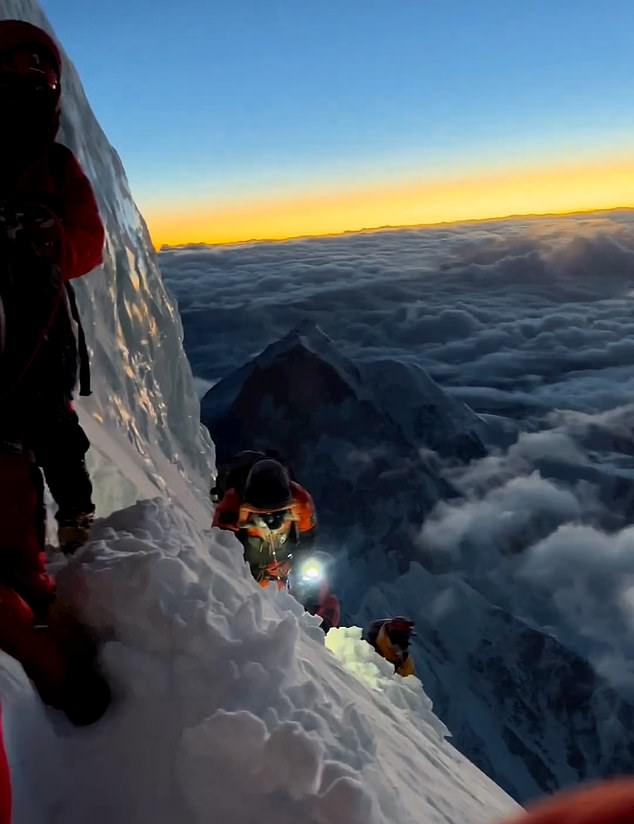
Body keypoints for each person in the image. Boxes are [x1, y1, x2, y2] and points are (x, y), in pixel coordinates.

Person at [0, 19, 104, 555]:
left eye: (32, 73)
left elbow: (89, 242)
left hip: (42, 327)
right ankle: (31, 553)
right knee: (25, 438)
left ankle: (72, 523)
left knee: (52, 431)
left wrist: (51, 241)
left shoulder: (57, 166)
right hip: (32, 328)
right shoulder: (56, 165)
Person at [213, 451, 340, 630]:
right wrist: (246, 571)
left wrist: (297, 563)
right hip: (251, 566)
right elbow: (221, 546)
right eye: (264, 516)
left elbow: (308, 539)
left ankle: (318, 632)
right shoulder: (232, 503)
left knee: (317, 589)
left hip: (284, 563)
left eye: (279, 513)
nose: (272, 522)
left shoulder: (301, 501)